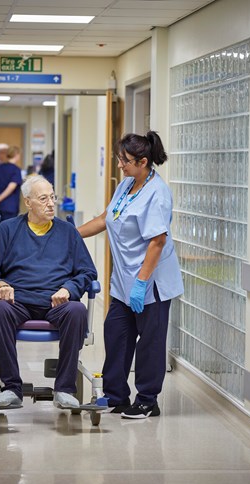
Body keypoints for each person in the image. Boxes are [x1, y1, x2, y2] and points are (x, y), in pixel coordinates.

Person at [78, 131, 184, 419]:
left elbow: (157, 241)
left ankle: (148, 400)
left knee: (149, 342)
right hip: (124, 281)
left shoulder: (157, 193)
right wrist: (71, 235)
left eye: (125, 160)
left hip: (151, 283)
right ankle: (116, 396)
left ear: (143, 161)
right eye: (119, 159)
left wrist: (141, 283)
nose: (120, 165)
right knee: (116, 334)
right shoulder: (126, 185)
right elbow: (105, 218)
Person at [0, 175, 97, 409]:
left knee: (77, 310)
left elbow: (87, 272)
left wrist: (69, 288)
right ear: (28, 202)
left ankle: (64, 389)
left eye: (53, 197)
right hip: (18, 302)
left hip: (56, 303)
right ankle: (11, 388)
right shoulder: (7, 230)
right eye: (43, 199)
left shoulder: (68, 233)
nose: (51, 203)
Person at [0, 145, 22, 221]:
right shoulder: (16, 170)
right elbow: (11, 187)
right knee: (9, 231)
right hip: (10, 207)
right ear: (16, 155)